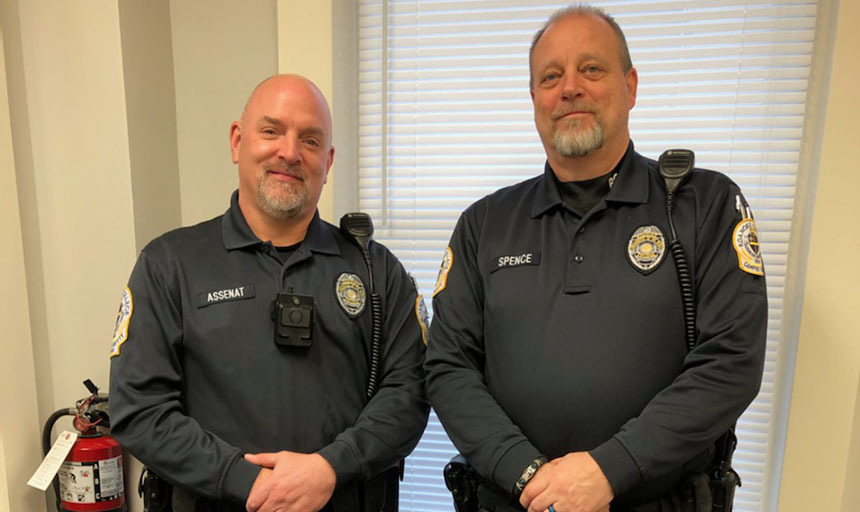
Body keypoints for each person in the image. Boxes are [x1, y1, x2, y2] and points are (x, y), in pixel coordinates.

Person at [425, 5, 767, 512]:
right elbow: (449, 367)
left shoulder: (705, 205)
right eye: (550, 76)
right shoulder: (484, 224)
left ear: (630, 87)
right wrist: (532, 478)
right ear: (535, 98)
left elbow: (731, 363)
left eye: (591, 69)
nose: (569, 88)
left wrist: (610, 469)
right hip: (513, 499)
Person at [108, 74, 430, 512]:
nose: (290, 152)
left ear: (328, 160)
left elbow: (409, 392)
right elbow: (140, 409)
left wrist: (331, 467)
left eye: (311, 140)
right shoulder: (169, 264)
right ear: (238, 141)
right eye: (272, 131)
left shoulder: (376, 270)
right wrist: (248, 481)